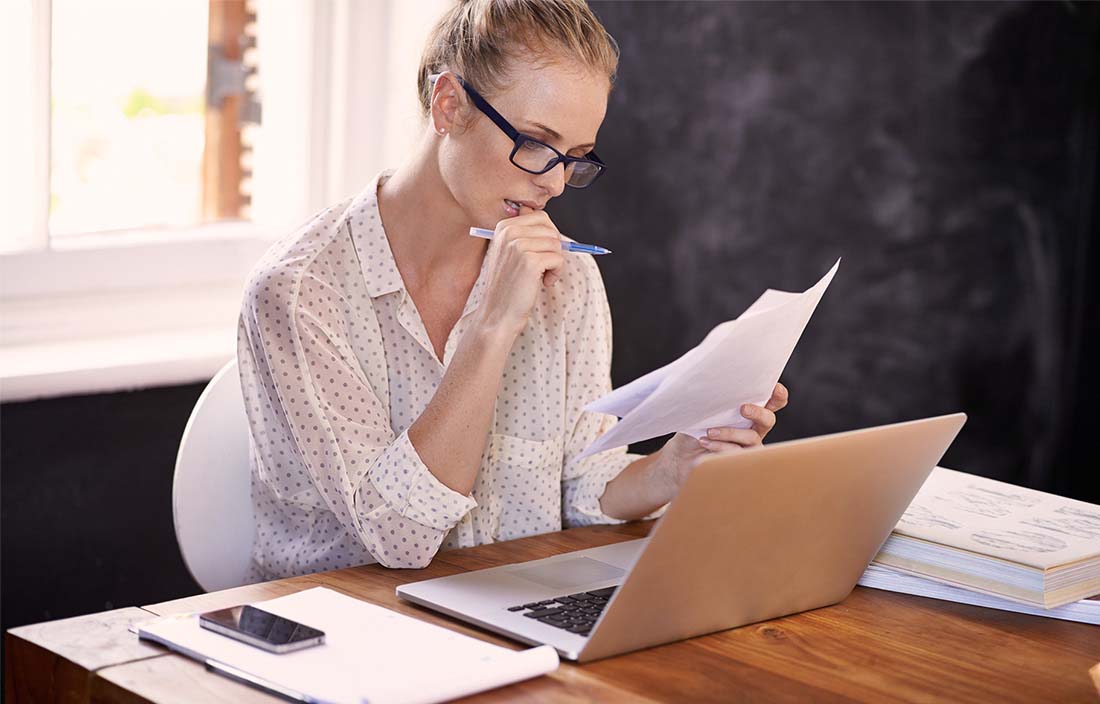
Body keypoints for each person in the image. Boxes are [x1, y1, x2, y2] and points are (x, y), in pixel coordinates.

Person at [237, 0, 788, 579]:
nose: (553, 183)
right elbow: (398, 537)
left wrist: (673, 467)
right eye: (533, 141)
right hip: (343, 631)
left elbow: (581, 489)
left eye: (574, 158)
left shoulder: (569, 279)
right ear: (448, 105)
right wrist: (491, 327)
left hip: (509, 612)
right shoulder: (300, 292)